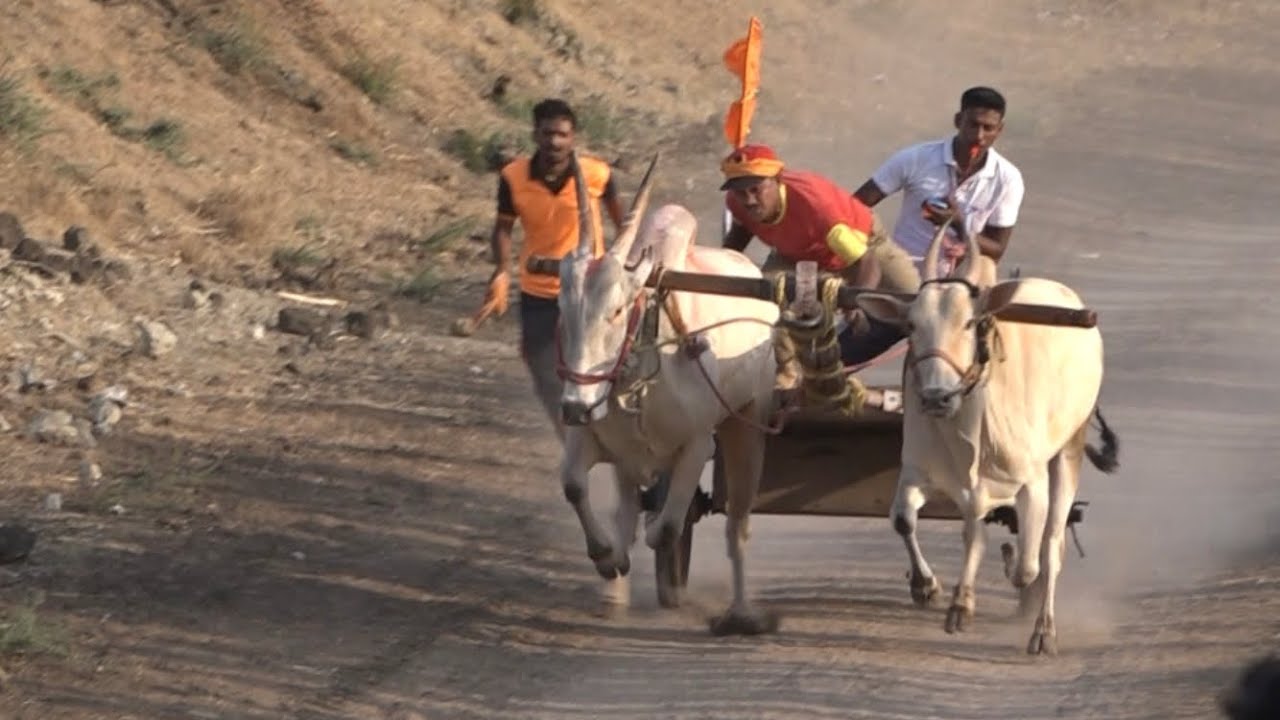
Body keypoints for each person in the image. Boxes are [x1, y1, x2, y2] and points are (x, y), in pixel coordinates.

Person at [484, 98, 625, 437]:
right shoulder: (513, 177)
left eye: (562, 135)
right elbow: (504, 226)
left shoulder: (596, 173)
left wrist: (626, 259)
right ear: (535, 134)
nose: (555, 142)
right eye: (548, 134)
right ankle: (571, 439)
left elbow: (623, 220)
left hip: (590, 289)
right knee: (543, 370)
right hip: (540, 289)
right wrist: (501, 271)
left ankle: (618, 434)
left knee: (605, 362)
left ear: (573, 137)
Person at [719, 143, 919, 367]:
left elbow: (866, 261)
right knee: (764, 299)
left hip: (863, 246)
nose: (749, 200)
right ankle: (786, 374)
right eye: (740, 192)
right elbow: (738, 237)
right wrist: (721, 273)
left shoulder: (816, 208)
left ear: (777, 180)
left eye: (756, 189)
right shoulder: (735, 203)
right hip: (796, 254)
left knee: (918, 307)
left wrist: (854, 303)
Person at [852, 86, 1025, 283]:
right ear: (958, 121)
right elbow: (854, 206)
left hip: (962, 283)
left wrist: (959, 225)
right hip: (905, 273)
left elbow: (996, 250)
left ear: (999, 130)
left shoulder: (1008, 178)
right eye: (973, 125)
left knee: (985, 273)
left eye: (988, 128)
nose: (979, 136)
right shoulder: (915, 159)